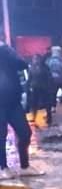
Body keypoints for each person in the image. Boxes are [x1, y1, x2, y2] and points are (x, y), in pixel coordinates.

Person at [0, 42, 42, 179]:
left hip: (13, 102)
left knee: (25, 133)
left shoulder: (6, 52)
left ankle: (25, 166)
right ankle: (3, 167)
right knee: (1, 135)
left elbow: (22, 64)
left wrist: (6, 51)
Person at [27, 54, 53, 125]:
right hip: (35, 88)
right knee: (34, 104)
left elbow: (49, 77)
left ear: (40, 60)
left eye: (36, 59)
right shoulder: (32, 68)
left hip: (44, 88)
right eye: (34, 59)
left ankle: (49, 118)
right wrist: (28, 87)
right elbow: (29, 78)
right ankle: (34, 117)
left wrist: (49, 87)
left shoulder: (45, 67)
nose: (35, 60)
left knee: (47, 103)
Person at [45, 46, 62, 117]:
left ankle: (55, 107)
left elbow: (46, 69)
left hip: (55, 80)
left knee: (54, 94)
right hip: (60, 80)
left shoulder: (49, 60)